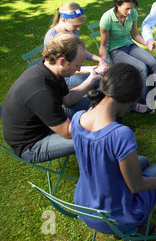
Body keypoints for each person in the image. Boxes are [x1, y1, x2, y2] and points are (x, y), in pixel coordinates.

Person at [71, 63, 156, 237]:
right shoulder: (120, 134)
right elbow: (137, 186)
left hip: (84, 203)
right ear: (130, 101)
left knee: (142, 161)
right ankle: (134, 229)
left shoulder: (78, 118)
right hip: (112, 217)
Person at [2, 32, 101, 163]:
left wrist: (91, 79)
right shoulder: (41, 92)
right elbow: (67, 131)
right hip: (32, 144)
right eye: (77, 65)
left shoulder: (51, 71)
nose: (78, 69)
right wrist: (93, 115)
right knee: (95, 137)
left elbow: (68, 99)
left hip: (45, 122)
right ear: (62, 61)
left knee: (102, 101)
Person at [99, 0, 156, 111]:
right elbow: (104, 44)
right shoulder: (107, 18)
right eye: (127, 8)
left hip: (129, 45)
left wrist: (148, 43)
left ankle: (155, 96)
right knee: (141, 67)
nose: (130, 12)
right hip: (115, 51)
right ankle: (142, 102)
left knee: (152, 62)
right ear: (117, 5)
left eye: (132, 8)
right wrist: (103, 61)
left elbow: (135, 35)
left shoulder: (133, 14)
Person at [44, 1, 109, 89]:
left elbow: (80, 52)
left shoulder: (72, 30)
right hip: (66, 77)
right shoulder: (53, 38)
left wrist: (99, 59)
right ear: (63, 20)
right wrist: (92, 69)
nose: (78, 29)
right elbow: (64, 67)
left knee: (106, 77)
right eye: (75, 26)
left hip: (77, 68)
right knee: (106, 80)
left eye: (80, 25)